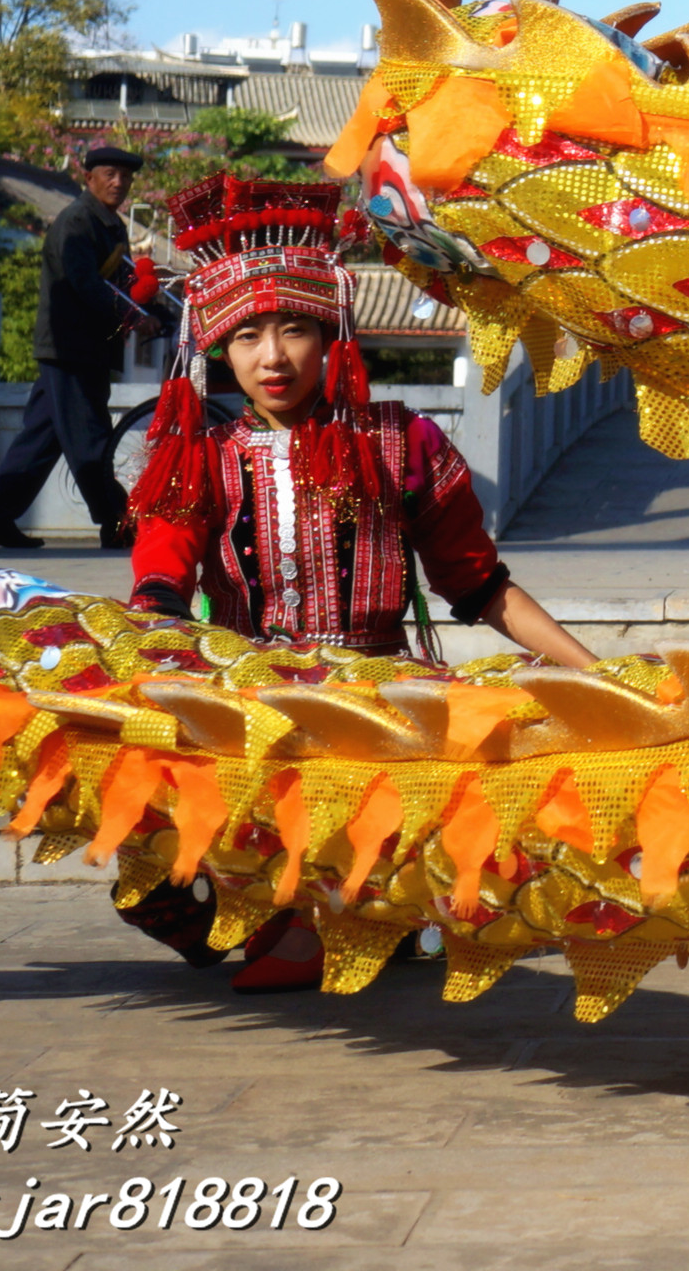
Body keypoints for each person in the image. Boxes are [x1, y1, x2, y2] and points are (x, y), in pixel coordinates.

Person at [117, 175, 596, 991]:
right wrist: (152, 652)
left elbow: (480, 586)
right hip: (255, 705)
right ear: (217, 351)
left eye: (295, 329)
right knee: (145, 842)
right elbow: (161, 575)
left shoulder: (401, 444)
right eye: (247, 338)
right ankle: (323, 912)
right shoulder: (203, 458)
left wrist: (593, 674)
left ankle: (343, 914)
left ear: (332, 332)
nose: (272, 358)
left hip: (383, 705)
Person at [0, 144, 156, 551]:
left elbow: (122, 280)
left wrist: (153, 306)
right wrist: (131, 317)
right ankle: (116, 519)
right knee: (91, 438)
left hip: (87, 347)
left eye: (125, 177)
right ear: (88, 177)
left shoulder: (110, 224)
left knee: (40, 440)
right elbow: (86, 285)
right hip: (69, 346)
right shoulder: (76, 222)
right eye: (110, 174)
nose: (119, 183)